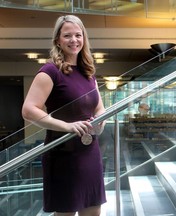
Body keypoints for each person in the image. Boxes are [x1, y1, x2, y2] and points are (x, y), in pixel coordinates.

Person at [22, 15, 106, 216]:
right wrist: (67, 126)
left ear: (84, 38)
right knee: (66, 212)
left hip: (89, 152)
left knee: (94, 211)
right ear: (58, 40)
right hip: (62, 154)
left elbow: (100, 109)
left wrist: (100, 121)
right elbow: (28, 109)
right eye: (67, 35)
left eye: (78, 35)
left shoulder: (89, 73)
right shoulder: (50, 71)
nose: (74, 40)